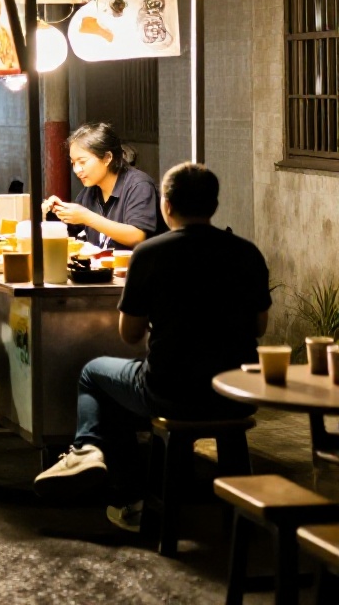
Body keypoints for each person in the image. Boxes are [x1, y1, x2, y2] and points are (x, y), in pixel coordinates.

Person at [32, 163, 268, 530]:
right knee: (126, 391)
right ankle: (135, 486)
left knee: (95, 375)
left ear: (166, 206)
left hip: (170, 389)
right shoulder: (246, 252)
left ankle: (107, 473)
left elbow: (129, 334)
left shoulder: (151, 253)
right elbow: (260, 325)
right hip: (238, 392)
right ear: (214, 204)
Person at [41, 122, 162, 249]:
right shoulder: (90, 191)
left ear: (107, 158)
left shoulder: (139, 185)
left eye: (82, 162)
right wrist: (56, 212)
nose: (77, 170)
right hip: (101, 268)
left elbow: (137, 236)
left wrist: (87, 217)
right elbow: (71, 230)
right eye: (73, 163)